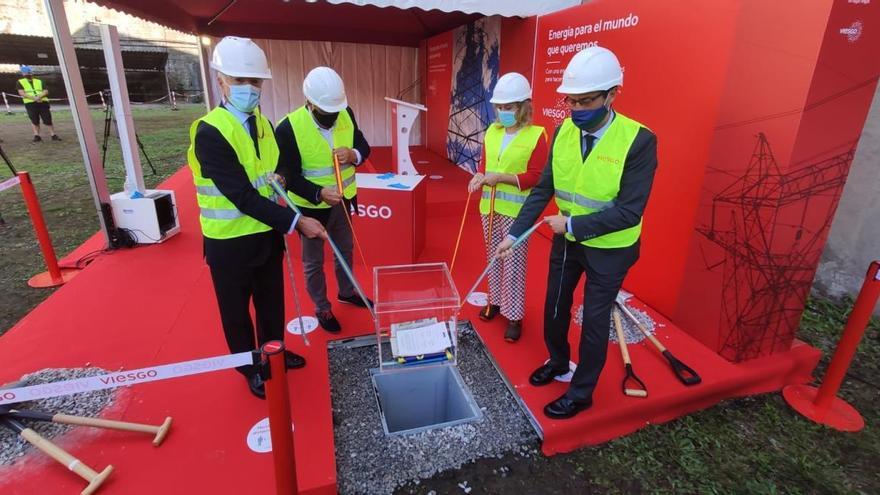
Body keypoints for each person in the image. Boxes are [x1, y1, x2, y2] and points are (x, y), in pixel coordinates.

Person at [496, 46, 658, 419]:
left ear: (612, 94)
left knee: (594, 320)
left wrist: (570, 224)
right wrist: (515, 233)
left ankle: (581, 391)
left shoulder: (639, 141)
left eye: (587, 101)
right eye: (572, 100)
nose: (577, 109)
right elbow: (543, 189)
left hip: (611, 248)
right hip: (568, 242)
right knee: (555, 306)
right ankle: (557, 361)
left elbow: (631, 212)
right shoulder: (565, 130)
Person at [186, 36, 325, 399]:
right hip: (229, 242)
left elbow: (269, 168)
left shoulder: (262, 122)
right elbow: (242, 196)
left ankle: (273, 353)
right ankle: (250, 367)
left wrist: (277, 176)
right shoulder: (211, 131)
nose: (250, 88)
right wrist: (297, 223)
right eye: (240, 80)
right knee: (236, 313)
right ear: (221, 81)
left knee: (270, 303)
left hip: (265, 235)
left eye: (255, 81)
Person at [275, 66, 372, 334]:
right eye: (326, 111)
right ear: (309, 102)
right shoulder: (288, 128)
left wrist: (353, 154)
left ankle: (347, 291)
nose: (332, 116)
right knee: (313, 262)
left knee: (345, 250)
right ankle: (322, 307)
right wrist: (318, 193)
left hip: (343, 200)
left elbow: (364, 146)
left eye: (335, 110)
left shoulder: (345, 113)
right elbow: (287, 175)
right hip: (309, 209)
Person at [467, 72, 547, 342]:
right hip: (488, 208)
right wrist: (478, 176)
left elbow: (537, 176)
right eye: (499, 107)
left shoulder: (536, 135)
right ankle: (495, 301)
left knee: (514, 264)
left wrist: (501, 178)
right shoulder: (492, 131)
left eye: (509, 107)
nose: (502, 112)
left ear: (523, 106)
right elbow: (485, 163)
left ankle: (514, 316)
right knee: (493, 258)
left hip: (516, 214)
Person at [17, 66, 60, 142]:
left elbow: (46, 91)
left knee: (48, 119)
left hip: (43, 102)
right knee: (34, 120)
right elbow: (21, 93)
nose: (27, 74)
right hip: (30, 104)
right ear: (23, 74)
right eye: (25, 73)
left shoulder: (40, 81)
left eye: (28, 73)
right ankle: (37, 136)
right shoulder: (20, 82)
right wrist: (34, 98)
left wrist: (39, 97)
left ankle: (53, 135)